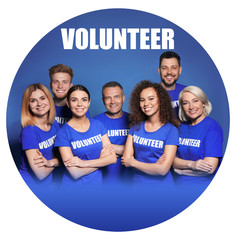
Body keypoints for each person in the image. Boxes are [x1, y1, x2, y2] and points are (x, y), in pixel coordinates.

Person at [54, 85, 117, 187]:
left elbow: (112, 158)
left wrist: (83, 163)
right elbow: (75, 173)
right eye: (74, 100)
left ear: (89, 102)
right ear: (68, 103)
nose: (79, 104)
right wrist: (101, 161)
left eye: (84, 100)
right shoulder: (63, 133)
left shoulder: (98, 125)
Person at [121, 80, 179, 188]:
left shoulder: (171, 131)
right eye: (142, 100)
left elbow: (162, 170)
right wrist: (154, 166)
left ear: (160, 100)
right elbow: (126, 160)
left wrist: (134, 162)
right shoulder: (135, 127)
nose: (146, 103)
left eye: (151, 98)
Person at [173, 86, 223, 190]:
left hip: (202, 187)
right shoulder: (181, 127)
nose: (191, 107)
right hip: (178, 186)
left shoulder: (212, 127)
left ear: (203, 103)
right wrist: (192, 164)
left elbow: (210, 168)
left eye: (195, 101)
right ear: (182, 107)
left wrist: (181, 171)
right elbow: (171, 160)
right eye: (186, 103)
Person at [19, 83, 60, 188]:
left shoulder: (54, 124)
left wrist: (51, 162)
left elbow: (64, 152)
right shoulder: (29, 132)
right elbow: (40, 174)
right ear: (27, 105)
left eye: (42, 98)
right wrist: (56, 161)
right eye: (33, 100)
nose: (39, 103)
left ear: (49, 100)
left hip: (47, 185)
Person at [93, 81, 130, 184]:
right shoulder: (94, 122)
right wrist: (127, 151)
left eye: (116, 97)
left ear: (123, 98)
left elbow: (140, 150)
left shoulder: (134, 120)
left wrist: (107, 149)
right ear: (103, 100)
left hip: (130, 180)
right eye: (108, 97)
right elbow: (93, 151)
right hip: (104, 181)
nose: (112, 101)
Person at [158, 51, 186, 117]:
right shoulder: (151, 94)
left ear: (180, 70)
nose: (169, 72)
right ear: (159, 70)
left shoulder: (188, 92)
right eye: (165, 68)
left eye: (174, 67)